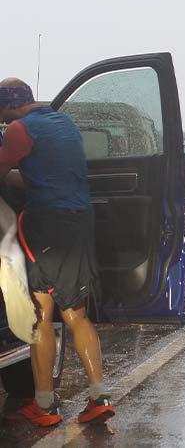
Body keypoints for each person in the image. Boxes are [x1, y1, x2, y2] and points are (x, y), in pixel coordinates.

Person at [0, 78, 114, 426]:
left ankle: (46, 406)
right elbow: (45, 175)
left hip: (47, 225)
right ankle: (99, 397)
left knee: (40, 316)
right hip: (79, 222)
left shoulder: (19, 130)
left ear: (8, 106)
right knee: (76, 313)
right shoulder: (63, 123)